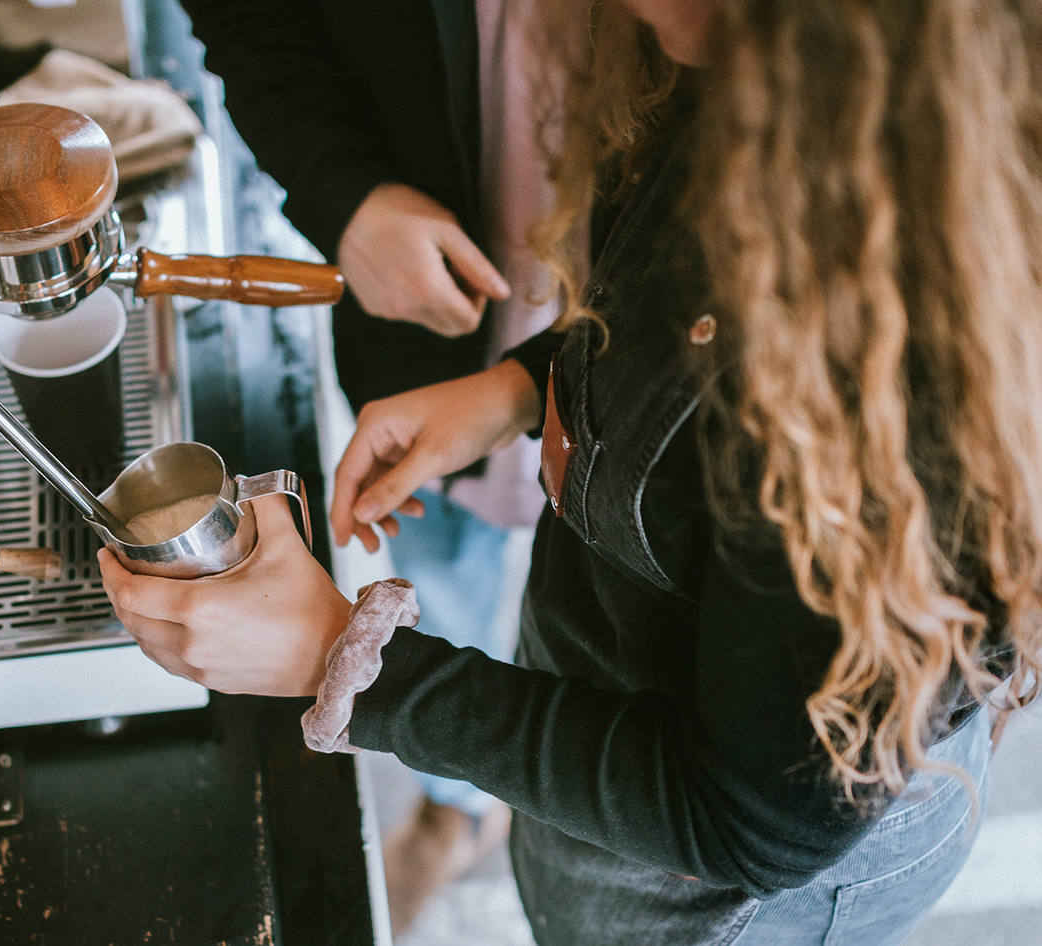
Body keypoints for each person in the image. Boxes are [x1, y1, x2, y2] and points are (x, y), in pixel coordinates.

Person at [101, 1, 1042, 943]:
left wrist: (344, 663)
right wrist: (518, 386)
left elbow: (748, 820)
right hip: (616, 769)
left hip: (715, 887)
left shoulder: (909, 383)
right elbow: (673, 313)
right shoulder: (746, 85)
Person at [175, 0, 571, 930]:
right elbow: (251, 25)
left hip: (635, 354)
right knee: (447, 574)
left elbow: (733, 806)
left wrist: (345, 667)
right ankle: (457, 808)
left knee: (601, 629)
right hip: (434, 338)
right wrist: (344, 193)